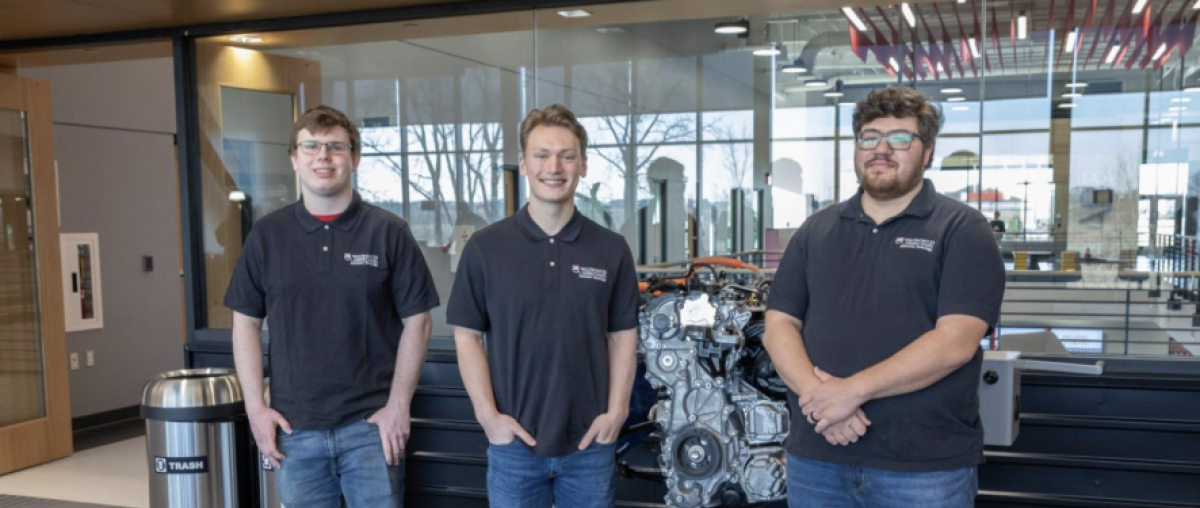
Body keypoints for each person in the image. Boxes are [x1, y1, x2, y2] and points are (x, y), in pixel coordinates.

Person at [763, 87, 1005, 508]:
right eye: (870, 137)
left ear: (926, 152)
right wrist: (823, 405)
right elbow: (779, 324)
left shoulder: (962, 229)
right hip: (817, 457)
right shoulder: (816, 230)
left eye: (899, 138)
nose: (881, 149)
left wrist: (851, 392)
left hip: (923, 467)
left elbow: (955, 342)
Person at [225, 105, 440, 507]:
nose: (322, 156)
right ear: (294, 159)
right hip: (294, 429)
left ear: (354, 159)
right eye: (310, 146)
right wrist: (256, 408)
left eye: (335, 147)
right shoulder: (267, 236)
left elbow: (419, 322)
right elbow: (245, 323)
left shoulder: (388, 232)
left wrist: (398, 405)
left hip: (371, 430)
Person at [446, 104, 640, 508]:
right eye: (542, 155)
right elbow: (466, 335)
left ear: (583, 165)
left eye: (567, 156)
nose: (555, 166)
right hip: (514, 446)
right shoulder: (485, 248)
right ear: (523, 163)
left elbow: (623, 335)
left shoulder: (611, 249)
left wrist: (617, 411)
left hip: (590, 444)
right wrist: (488, 417)